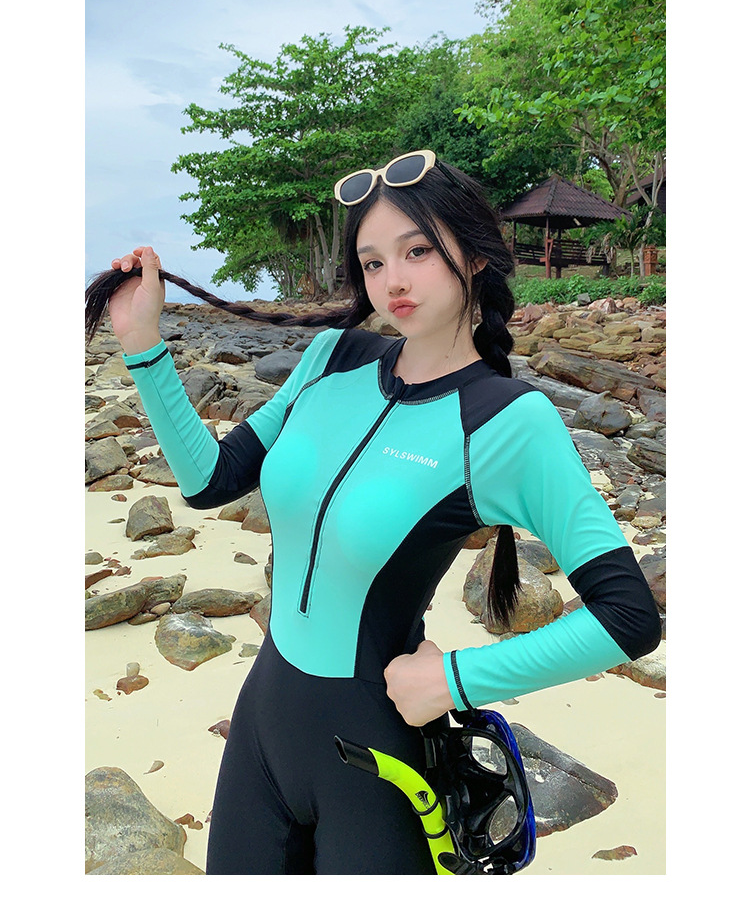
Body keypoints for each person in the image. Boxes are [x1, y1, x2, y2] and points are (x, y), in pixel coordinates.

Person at [93, 150, 661, 875]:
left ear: (475, 256)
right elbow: (211, 481)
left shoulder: (507, 420)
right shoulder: (332, 359)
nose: (393, 280)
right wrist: (142, 343)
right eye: (372, 262)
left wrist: (456, 680)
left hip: (377, 761)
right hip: (264, 726)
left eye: (417, 251)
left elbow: (627, 616)